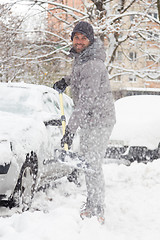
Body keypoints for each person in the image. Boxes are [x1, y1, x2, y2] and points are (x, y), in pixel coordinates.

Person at [53, 21, 116, 224]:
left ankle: (98, 208)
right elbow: (79, 76)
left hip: (100, 120)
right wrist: (66, 80)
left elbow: (86, 101)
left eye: (83, 38)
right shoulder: (83, 59)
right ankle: (91, 203)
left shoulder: (93, 64)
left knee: (93, 165)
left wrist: (70, 130)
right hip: (91, 120)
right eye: (76, 37)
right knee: (89, 164)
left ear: (90, 41)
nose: (79, 42)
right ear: (73, 39)